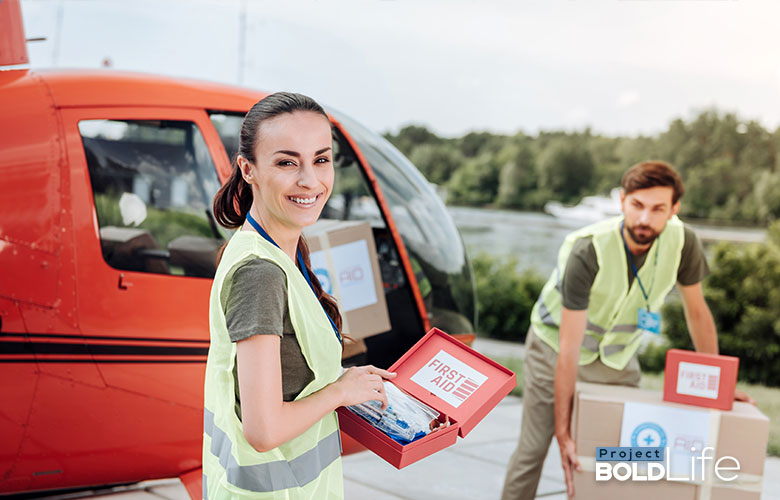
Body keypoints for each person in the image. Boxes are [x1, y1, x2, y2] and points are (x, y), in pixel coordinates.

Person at [500, 161, 753, 499]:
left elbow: (697, 312)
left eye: (657, 209)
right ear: (622, 201)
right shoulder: (587, 249)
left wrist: (718, 384)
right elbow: (569, 347)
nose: (645, 219)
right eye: (637, 206)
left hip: (617, 360)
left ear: (674, 209)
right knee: (534, 450)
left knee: (622, 454)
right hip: (553, 350)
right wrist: (562, 432)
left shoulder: (684, 243)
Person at [203, 92, 395, 500]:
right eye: (287, 162)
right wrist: (341, 392)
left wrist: (348, 383)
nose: (310, 180)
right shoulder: (261, 272)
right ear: (248, 169)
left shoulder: (276, 250)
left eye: (321, 159)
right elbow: (264, 430)